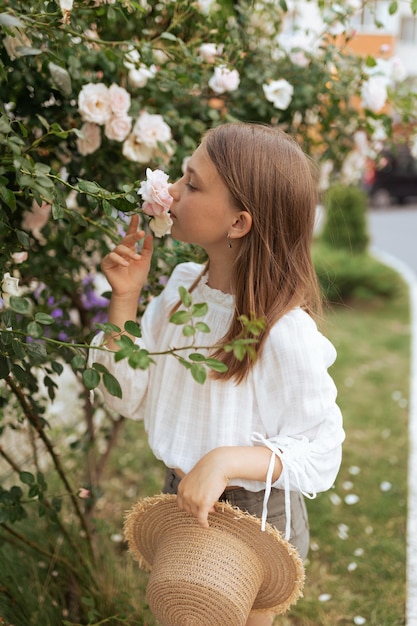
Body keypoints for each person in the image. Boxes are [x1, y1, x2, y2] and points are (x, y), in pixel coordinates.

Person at [90, 122, 345, 626]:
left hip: (254, 509)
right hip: (182, 498)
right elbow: (127, 396)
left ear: (238, 224)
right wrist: (125, 301)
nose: (171, 192)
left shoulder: (282, 330)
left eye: (191, 182)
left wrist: (226, 460)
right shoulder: (185, 287)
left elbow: (322, 448)